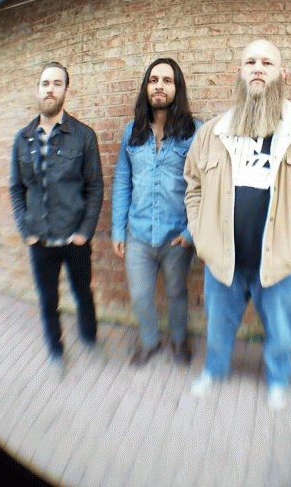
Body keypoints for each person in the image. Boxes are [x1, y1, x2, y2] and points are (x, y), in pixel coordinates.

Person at [184, 39, 291, 410]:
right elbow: (192, 186)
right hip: (223, 258)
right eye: (250, 62)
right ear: (239, 73)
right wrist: (199, 230)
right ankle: (214, 370)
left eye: (267, 63)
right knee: (218, 325)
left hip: (282, 261)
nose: (258, 68)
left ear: (283, 74)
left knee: (281, 330)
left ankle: (277, 380)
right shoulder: (212, 132)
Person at [9, 61, 104, 379]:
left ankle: (90, 338)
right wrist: (25, 230)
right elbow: (16, 189)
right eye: (45, 83)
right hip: (40, 239)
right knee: (48, 299)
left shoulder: (83, 136)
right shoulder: (22, 139)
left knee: (83, 293)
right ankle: (55, 349)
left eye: (57, 83)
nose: (50, 89)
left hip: (75, 238)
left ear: (66, 91)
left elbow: (95, 187)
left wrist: (85, 231)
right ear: (38, 89)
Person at [112, 58, 201, 367]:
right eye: (153, 80)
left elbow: (207, 186)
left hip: (177, 236)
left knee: (177, 292)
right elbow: (122, 181)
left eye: (167, 80)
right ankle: (150, 341)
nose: (159, 86)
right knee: (139, 296)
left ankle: (178, 338)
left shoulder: (195, 132)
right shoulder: (132, 132)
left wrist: (192, 232)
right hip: (137, 234)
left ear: (177, 87)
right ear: (146, 88)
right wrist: (117, 229)